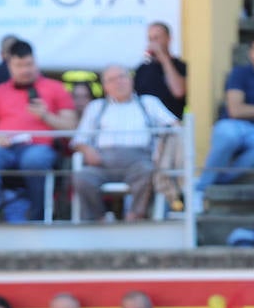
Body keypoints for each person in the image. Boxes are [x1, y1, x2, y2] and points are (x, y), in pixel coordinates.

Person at [0, 38, 76, 223]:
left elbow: (71, 127)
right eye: (19, 65)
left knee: (34, 160)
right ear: (9, 65)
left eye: (29, 64)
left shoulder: (56, 88)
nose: (25, 70)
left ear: (35, 61)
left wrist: (46, 115)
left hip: (39, 147)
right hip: (5, 147)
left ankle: (36, 215)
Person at [193, 33, 254, 213]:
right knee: (228, 136)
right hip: (233, 124)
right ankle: (199, 190)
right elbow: (235, 110)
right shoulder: (239, 73)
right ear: (251, 54)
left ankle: (217, 180)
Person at [71, 64, 176, 223]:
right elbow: (79, 140)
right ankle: (100, 220)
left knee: (148, 172)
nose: (118, 82)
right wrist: (86, 150)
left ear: (131, 79)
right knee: (82, 177)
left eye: (122, 77)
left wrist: (162, 145)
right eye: (112, 80)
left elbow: (174, 127)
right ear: (105, 86)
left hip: (139, 162)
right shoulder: (96, 107)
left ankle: (134, 217)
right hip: (102, 164)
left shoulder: (149, 103)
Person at [134, 21, 186, 120]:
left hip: (173, 126)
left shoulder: (181, 66)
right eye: (150, 39)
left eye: (157, 38)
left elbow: (179, 92)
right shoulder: (142, 69)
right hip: (148, 126)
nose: (153, 42)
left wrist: (163, 57)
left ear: (169, 39)